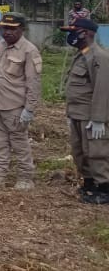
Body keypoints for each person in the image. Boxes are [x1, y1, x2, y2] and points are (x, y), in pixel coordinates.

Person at [0, 12, 41, 190]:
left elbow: (33, 82)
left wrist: (29, 109)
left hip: (15, 106)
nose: (7, 32)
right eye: (5, 28)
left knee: (19, 143)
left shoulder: (29, 50)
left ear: (22, 29)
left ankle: (25, 178)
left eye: (12, 29)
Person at [61, 18, 109, 204]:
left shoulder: (99, 57)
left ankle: (104, 188)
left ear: (87, 33)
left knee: (97, 152)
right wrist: (69, 113)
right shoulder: (82, 54)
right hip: (77, 114)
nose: (71, 35)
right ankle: (89, 183)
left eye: (75, 31)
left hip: (90, 115)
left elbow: (102, 89)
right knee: (80, 152)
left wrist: (99, 118)